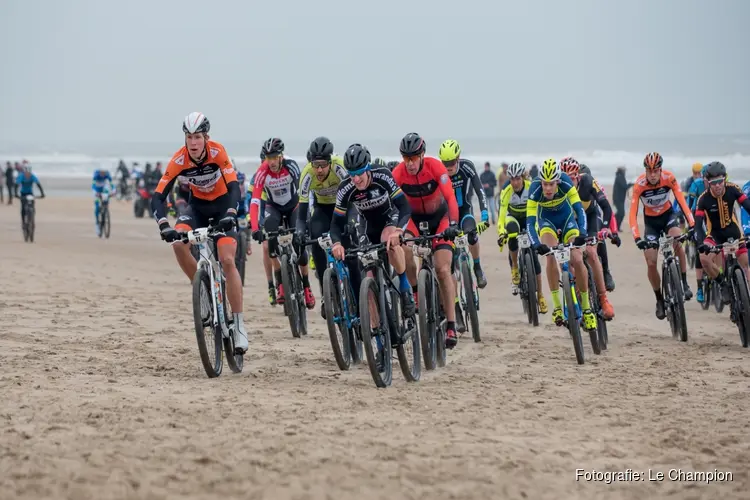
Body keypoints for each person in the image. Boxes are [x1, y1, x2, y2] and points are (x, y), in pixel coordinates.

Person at [150, 112, 248, 354]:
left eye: (197, 137)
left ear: (206, 137)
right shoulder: (179, 159)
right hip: (198, 209)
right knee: (178, 243)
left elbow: (234, 187)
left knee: (227, 260)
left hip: (223, 206)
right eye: (189, 137)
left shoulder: (218, 152)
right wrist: (163, 223)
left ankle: (238, 324)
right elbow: (158, 195)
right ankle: (201, 286)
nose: (193, 143)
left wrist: (232, 213)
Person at [392, 133, 461, 348]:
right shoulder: (398, 173)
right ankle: (414, 291)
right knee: (402, 247)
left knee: (442, 269)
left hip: (439, 219)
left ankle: (451, 323)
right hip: (413, 220)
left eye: (413, 158)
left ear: (422, 155)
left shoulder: (436, 168)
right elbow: (391, 204)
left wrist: (453, 225)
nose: (410, 163)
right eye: (406, 158)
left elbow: (450, 198)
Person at [329, 144, 408, 319]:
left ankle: (404, 285)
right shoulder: (345, 188)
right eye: (351, 175)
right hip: (366, 224)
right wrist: (336, 244)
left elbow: (404, 206)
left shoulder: (382, 175)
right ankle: (376, 330)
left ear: (367, 169)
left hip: (389, 218)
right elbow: (336, 224)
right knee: (367, 272)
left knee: (388, 239)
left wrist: (398, 231)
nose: (355, 179)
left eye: (359, 174)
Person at [527, 159, 596, 329]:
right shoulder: (534, 189)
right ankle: (557, 307)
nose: (548, 188)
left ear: (558, 181)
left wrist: (582, 233)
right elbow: (529, 223)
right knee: (550, 257)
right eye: (545, 184)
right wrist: (536, 244)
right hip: (547, 223)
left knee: (577, 259)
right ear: (540, 182)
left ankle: (587, 309)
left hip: (567, 221)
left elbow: (579, 210)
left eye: (551, 184)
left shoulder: (566, 182)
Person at [249, 137, 315, 309]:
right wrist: (255, 227)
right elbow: (255, 200)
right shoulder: (262, 171)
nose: (271, 161)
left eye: (274, 157)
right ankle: (280, 284)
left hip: (293, 206)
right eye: (268, 157)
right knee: (270, 242)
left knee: (299, 246)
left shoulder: (290, 166)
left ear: (280, 156)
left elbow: (304, 191)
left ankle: (307, 286)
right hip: (274, 207)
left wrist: (306, 218)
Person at [629, 152, 695, 320]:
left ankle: (684, 282)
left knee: (677, 239)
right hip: (651, 223)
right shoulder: (639, 185)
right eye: (649, 171)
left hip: (668, 217)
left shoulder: (669, 178)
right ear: (645, 171)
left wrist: (692, 224)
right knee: (651, 262)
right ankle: (659, 299)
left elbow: (681, 201)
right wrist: (637, 237)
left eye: (655, 171)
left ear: (660, 170)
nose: (652, 175)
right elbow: (632, 214)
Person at [296, 137, 349, 317]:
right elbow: (302, 212)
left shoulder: (339, 167)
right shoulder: (307, 174)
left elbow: (354, 194)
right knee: (316, 242)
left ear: (330, 161)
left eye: (323, 165)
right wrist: (300, 232)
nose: (319, 170)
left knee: (350, 239)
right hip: (323, 209)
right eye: (315, 165)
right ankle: (326, 292)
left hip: (344, 207)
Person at [559, 158, 615, 319]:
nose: (568, 181)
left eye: (572, 177)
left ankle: (603, 299)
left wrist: (605, 227)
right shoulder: (557, 189)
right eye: (564, 178)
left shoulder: (588, 181)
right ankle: (574, 296)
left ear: (578, 176)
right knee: (569, 258)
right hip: (569, 223)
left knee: (591, 252)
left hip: (590, 218)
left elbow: (605, 206)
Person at [695, 161, 750, 304]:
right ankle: (722, 284)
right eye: (714, 182)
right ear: (708, 182)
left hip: (734, 232)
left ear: (725, 178)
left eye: (720, 181)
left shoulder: (733, 189)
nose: (718, 185)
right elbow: (698, 224)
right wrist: (701, 243)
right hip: (715, 235)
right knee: (704, 259)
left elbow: (747, 206)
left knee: (746, 267)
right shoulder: (703, 199)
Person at [496, 162, 548, 313]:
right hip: (513, 218)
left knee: (535, 257)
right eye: (512, 179)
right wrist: (501, 232)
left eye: (518, 179)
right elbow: (501, 216)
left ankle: (541, 295)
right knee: (511, 231)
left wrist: (538, 229)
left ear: (522, 177)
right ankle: (514, 268)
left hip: (529, 219)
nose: (515, 182)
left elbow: (539, 211)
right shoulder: (506, 191)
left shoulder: (531, 187)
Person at [438, 139, 489, 287]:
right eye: (445, 163)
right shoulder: (438, 172)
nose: (448, 167)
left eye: (452, 162)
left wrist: (485, 213)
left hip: (465, 211)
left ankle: (477, 267)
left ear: (458, 158)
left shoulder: (467, 166)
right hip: (447, 216)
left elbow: (480, 190)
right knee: (447, 252)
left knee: (472, 235)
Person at [248, 150, 276, 303]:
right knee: (266, 246)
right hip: (265, 208)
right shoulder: (258, 176)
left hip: (281, 207)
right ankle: (271, 284)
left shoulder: (281, 171)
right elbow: (250, 199)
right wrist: (250, 219)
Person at [92, 168, 115, 236]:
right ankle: (97, 223)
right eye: (101, 172)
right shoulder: (96, 175)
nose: (103, 174)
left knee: (106, 196)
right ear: (99, 172)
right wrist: (95, 192)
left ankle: (105, 209)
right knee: (97, 207)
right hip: (97, 189)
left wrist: (114, 190)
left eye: (104, 172)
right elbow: (93, 185)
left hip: (104, 188)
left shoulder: (107, 174)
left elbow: (111, 184)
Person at [612, 166, 633, 231]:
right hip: (618, 199)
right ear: (621, 171)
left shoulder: (620, 176)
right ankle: (614, 224)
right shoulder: (619, 177)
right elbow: (625, 186)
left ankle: (615, 226)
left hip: (620, 199)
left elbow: (624, 186)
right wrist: (632, 184)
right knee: (621, 213)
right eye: (624, 170)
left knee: (620, 213)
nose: (625, 172)